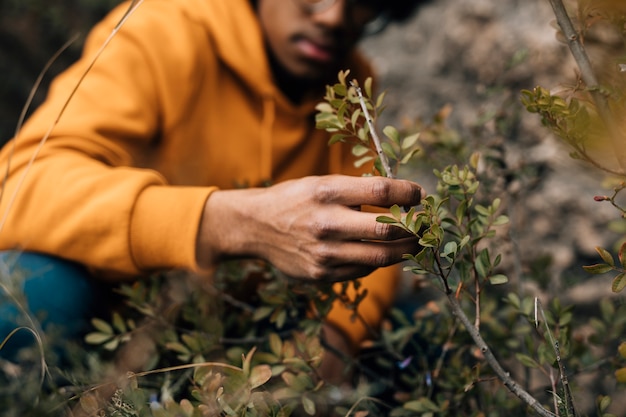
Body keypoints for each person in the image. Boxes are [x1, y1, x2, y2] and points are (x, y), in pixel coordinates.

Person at [0, 0, 427, 376]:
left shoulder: (348, 87)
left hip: (234, 331)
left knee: (412, 332)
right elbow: (20, 185)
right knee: (27, 291)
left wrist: (337, 337)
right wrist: (232, 222)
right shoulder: (163, 28)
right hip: (108, 311)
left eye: (364, 2)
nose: (334, 16)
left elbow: (371, 235)